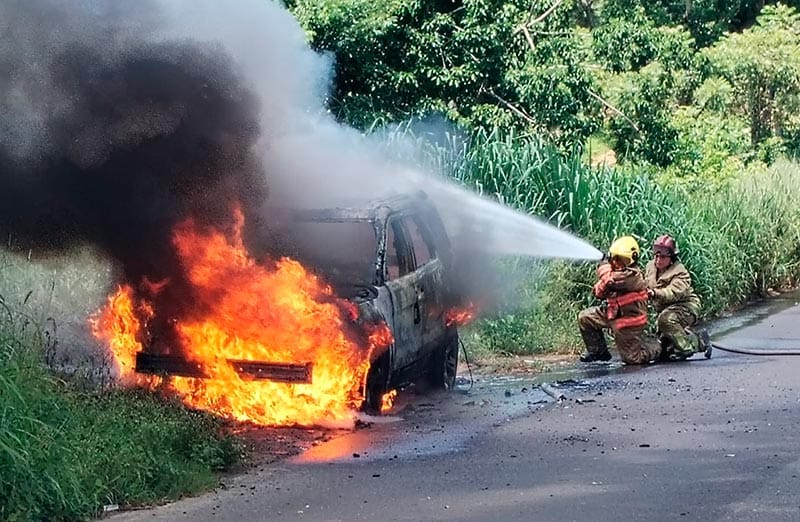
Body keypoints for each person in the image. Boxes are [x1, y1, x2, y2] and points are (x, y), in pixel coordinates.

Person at [578, 236, 661, 364]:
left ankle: (659, 346)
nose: (617, 263)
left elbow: (610, 280)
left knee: (633, 359)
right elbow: (598, 292)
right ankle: (598, 352)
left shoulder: (632, 276)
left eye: (621, 260)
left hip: (629, 321)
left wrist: (604, 265)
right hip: (612, 313)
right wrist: (602, 284)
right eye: (614, 258)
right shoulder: (613, 274)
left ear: (632, 260)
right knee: (586, 318)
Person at [645, 234, 712, 361]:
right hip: (665, 309)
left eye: (663, 257)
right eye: (656, 256)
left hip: (686, 307)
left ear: (672, 258)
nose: (658, 260)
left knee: (667, 320)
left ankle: (687, 348)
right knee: (665, 347)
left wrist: (654, 293)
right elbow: (643, 283)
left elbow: (673, 292)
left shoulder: (680, 272)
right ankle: (696, 339)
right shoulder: (650, 267)